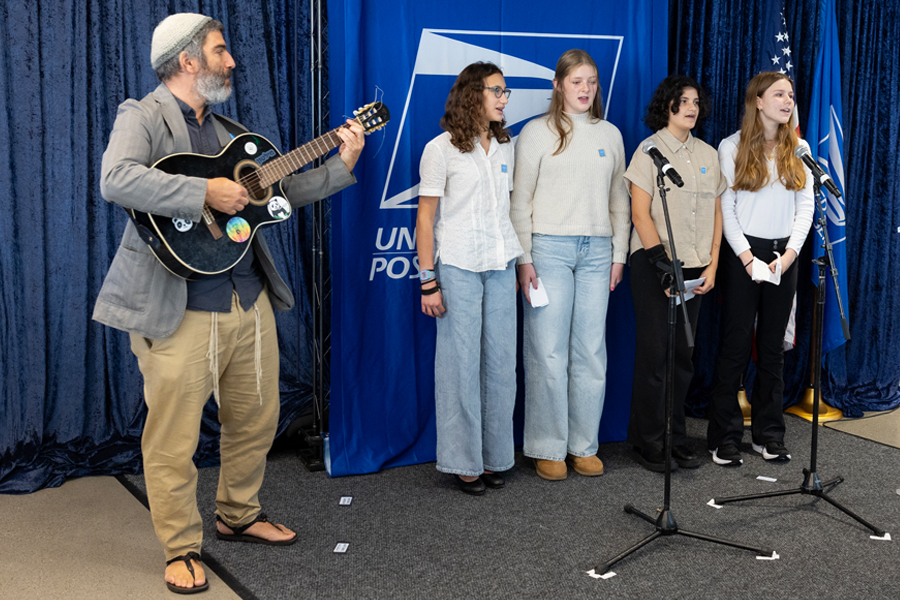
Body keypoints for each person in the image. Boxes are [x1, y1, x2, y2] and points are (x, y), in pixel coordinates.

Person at [93, 13, 365, 593]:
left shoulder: (231, 133)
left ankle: (238, 514)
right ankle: (181, 547)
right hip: (177, 309)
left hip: (248, 299)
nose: (233, 61)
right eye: (221, 51)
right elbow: (115, 179)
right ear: (188, 61)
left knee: (258, 418)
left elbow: (281, 192)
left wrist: (341, 166)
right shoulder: (142, 116)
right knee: (174, 435)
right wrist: (202, 190)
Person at [510, 49, 630, 481]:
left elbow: (620, 199)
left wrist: (619, 254)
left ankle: (583, 445)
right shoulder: (535, 133)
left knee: (590, 351)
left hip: (598, 252)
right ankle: (547, 446)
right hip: (548, 250)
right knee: (547, 349)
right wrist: (524, 259)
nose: (585, 89)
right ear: (558, 85)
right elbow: (519, 201)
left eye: (592, 82)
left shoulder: (610, 134)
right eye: (577, 81)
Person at [416, 62, 522, 495]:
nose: (503, 98)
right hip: (457, 266)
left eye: (505, 91)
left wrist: (517, 261)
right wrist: (427, 280)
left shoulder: (505, 146)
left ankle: (495, 457)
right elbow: (425, 219)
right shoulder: (439, 149)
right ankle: (464, 461)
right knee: (460, 367)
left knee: (500, 366)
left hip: (501, 265)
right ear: (472, 94)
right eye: (496, 90)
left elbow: (508, 211)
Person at [707, 71, 813, 467]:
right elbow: (727, 209)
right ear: (758, 101)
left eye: (790, 95)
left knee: (772, 350)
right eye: (779, 94)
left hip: (783, 257)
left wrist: (786, 257)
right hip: (743, 257)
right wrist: (748, 258)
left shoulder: (799, 149)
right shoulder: (731, 146)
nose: (787, 101)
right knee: (735, 347)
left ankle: (768, 435)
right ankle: (724, 437)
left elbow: (806, 209)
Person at [624, 75, 726, 472]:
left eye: (696, 102)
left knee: (683, 356)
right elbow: (639, 212)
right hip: (656, 267)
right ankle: (648, 440)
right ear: (666, 105)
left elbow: (716, 211)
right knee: (656, 356)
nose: (691, 108)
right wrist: (663, 266)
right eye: (683, 101)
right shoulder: (649, 150)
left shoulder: (708, 153)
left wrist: (714, 262)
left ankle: (676, 436)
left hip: (699, 265)